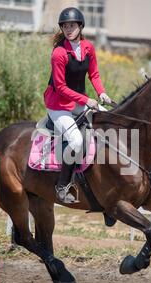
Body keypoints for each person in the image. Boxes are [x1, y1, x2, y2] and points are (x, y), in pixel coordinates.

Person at [44, 7, 113, 204]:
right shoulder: (59, 53)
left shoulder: (89, 47)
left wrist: (102, 93)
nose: (68, 29)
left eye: (72, 25)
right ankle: (62, 185)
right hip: (58, 104)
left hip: (77, 101)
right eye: (65, 26)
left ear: (80, 26)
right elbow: (60, 87)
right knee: (75, 141)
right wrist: (86, 100)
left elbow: (94, 74)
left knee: (108, 119)